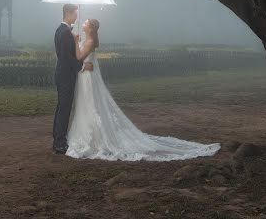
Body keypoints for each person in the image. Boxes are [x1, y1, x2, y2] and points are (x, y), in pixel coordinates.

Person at [66, 18, 220, 161]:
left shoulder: (90, 41)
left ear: (90, 28)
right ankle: (92, 133)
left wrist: (74, 41)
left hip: (87, 77)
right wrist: (79, 42)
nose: (83, 23)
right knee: (86, 103)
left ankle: (95, 136)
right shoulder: (89, 40)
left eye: (86, 22)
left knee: (89, 103)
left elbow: (79, 57)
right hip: (85, 75)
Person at [52, 3, 93, 154]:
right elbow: (66, 58)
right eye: (76, 13)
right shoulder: (65, 33)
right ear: (68, 13)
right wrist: (82, 66)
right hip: (65, 76)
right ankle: (60, 143)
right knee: (64, 109)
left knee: (61, 108)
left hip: (62, 74)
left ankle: (58, 140)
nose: (77, 16)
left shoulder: (61, 31)